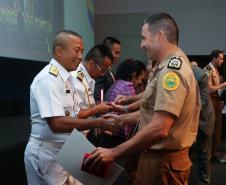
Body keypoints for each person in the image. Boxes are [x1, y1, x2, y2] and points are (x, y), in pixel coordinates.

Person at [85, 12, 200, 185]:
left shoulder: (172, 71)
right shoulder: (166, 67)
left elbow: (160, 127)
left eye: (144, 38)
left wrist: (114, 153)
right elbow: (152, 112)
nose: (141, 45)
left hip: (163, 163)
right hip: (157, 159)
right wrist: (122, 118)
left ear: (159, 37)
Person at [24, 30, 120, 185]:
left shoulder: (67, 78)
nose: (81, 56)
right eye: (76, 51)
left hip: (66, 149)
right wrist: (98, 123)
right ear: (59, 51)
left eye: (82, 51)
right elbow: (57, 124)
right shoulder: (48, 79)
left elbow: (76, 114)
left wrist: (98, 115)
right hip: (47, 152)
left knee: (101, 178)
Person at [71, 44, 114, 119]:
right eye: (103, 70)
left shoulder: (89, 77)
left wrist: (98, 106)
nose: (103, 74)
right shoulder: (75, 79)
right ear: (91, 64)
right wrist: (96, 109)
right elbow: (74, 114)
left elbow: (86, 105)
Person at [191, 62, 215, 185]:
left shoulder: (200, 75)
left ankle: (204, 182)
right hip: (188, 120)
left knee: (203, 153)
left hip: (203, 120)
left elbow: (203, 103)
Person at [204, 49, 226, 161]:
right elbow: (208, 89)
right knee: (211, 129)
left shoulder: (215, 70)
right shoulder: (208, 69)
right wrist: (223, 84)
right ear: (214, 58)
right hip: (211, 101)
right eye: (220, 58)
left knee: (218, 128)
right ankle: (209, 154)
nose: (222, 61)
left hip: (217, 101)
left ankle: (215, 153)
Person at [94, 36, 121, 102]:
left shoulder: (110, 69)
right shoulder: (102, 71)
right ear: (106, 52)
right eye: (116, 53)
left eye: (119, 53)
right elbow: (99, 96)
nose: (118, 56)